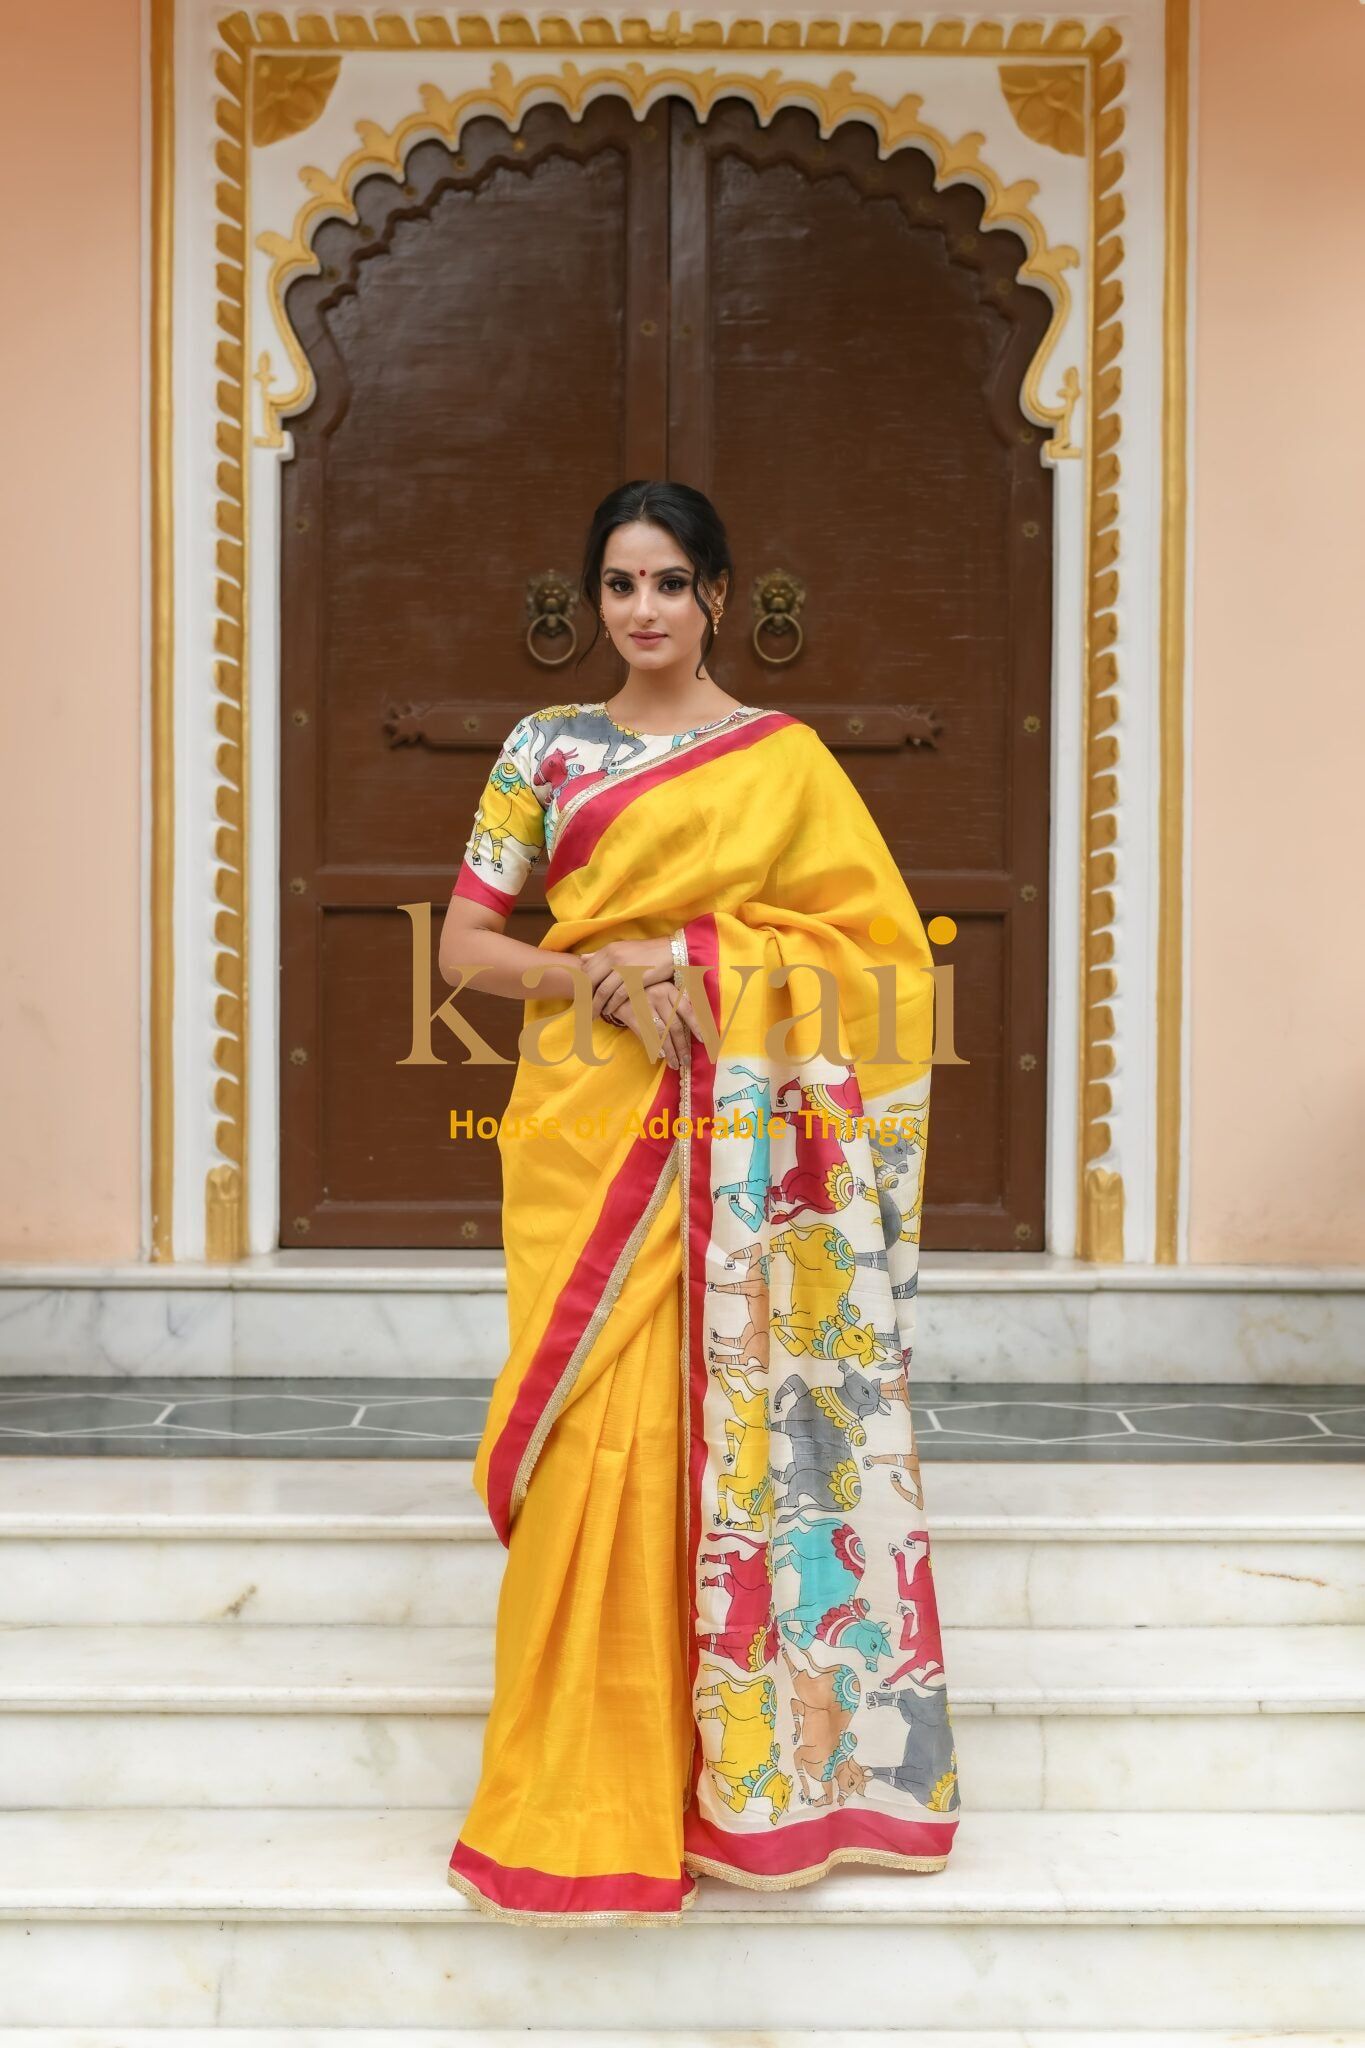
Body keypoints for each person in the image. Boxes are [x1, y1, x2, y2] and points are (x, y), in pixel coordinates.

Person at [438, 479, 959, 1925]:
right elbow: (466, 949)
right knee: (592, 1436)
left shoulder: (778, 759)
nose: (644, 609)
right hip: (588, 1117)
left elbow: (884, 968)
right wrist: (596, 969)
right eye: (619, 585)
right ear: (591, 602)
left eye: (670, 581)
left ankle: (742, 1787)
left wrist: (712, 968)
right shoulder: (542, 751)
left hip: (738, 1131)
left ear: (718, 596)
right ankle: (574, 1797)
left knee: (727, 1436)